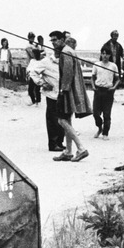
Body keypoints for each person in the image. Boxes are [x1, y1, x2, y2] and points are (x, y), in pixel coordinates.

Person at [49, 30, 90, 162]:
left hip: (67, 91)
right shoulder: (68, 50)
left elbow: (67, 74)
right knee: (67, 120)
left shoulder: (66, 52)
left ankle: (81, 148)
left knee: (61, 120)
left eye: (55, 40)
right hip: (71, 90)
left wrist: (62, 91)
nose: (53, 43)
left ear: (61, 39)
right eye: (52, 41)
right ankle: (68, 151)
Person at [28, 48, 65, 152]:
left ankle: (60, 142)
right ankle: (53, 144)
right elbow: (33, 72)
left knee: (61, 120)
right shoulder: (46, 61)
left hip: (62, 94)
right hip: (51, 95)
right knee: (52, 120)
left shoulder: (64, 61)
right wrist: (42, 83)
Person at [91, 47, 120, 140]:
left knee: (107, 114)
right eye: (103, 53)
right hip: (98, 90)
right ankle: (100, 128)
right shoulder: (97, 64)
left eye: (107, 54)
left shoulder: (113, 66)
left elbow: (118, 79)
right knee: (95, 113)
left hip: (108, 91)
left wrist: (114, 87)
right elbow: (92, 77)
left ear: (110, 55)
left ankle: (105, 133)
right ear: (101, 54)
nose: (105, 56)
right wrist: (93, 86)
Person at [25, 32, 41, 106]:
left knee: (36, 85)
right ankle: (34, 100)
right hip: (30, 64)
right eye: (31, 38)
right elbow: (32, 55)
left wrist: (37, 47)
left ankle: (37, 101)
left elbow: (38, 54)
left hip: (35, 66)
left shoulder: (34, 46)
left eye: (33, 38)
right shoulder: (28, 46)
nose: (32, 39)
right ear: (28, 38)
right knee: (31, 85)